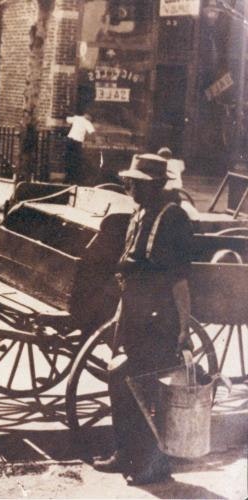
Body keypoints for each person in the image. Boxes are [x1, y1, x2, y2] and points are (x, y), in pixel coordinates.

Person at [93, 153, 193, 485]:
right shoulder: (139, 214)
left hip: (159, 318)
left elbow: (179, 280)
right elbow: (128, 276)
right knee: (120, 378)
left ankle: (153, 465)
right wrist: (120, 322)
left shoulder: (174, 219)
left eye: (135, 183)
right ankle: (126, 453)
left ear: (154, 185)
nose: (129, 187)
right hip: (134, 313)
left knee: (145, 388)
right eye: (129, 182)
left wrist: (183, 328)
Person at [64, 113, 95, 184]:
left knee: (69, 158)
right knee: (75, 160)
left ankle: (68, 178)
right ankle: (72, 178)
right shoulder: (87, 122)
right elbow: (92, 133)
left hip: (70, 141)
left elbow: (67, 119)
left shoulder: (77, 118)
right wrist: (93, 140)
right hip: (76, 143)